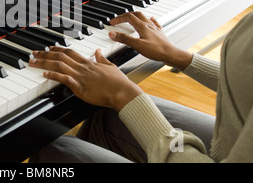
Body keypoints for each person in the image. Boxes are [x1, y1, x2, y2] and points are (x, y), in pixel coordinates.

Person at [28, 11, 253, 163]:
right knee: (111, 115)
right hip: (237, 138)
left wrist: (124, 95)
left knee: (54, 149)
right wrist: (181, 57)